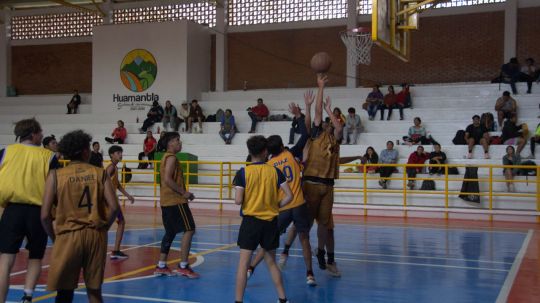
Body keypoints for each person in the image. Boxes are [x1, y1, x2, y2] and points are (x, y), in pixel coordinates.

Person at [41, 130, 119, 303]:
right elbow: (114, 207)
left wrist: (55, 238)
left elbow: (45, 215)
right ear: (85, 151)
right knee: (94, 291)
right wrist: (104, 227)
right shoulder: (100, 173)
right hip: (95, 234)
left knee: (64, 293)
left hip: (68, 236)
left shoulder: (55, 175)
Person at [246, 96, 315, 286]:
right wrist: (299, 115)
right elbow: (305, 135)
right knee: (304, 240)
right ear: (283, 146)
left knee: (268, 241)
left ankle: (251, 267)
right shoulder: (291, 154)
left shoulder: (268, 164)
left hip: (282, 207)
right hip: (299, 204)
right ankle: (310, 274)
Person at [0, 118, 59, 303]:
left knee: (6, 258)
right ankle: (27, 296)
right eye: (40, 132)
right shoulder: (48, 156)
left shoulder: (5, 151)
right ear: (33, 134)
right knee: (35, 256)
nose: (42, 134)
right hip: (38, 212)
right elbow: (54, 187)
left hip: (12, 210)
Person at [233, 135, 293, 303]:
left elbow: (238, 200)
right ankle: (283, 299)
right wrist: (276, 206)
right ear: (265, 151)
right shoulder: (275, 171)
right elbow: (290, 195)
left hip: (250, 223)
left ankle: (238, 301)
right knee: (271, 263)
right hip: (270, 222)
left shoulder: (243, 172)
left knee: (243, 264)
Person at [302, 74, 343, 277]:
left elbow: (340, 127)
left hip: (327, 185)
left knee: (326, 225)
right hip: (310, 182)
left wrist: (330, 110)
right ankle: (294, 253)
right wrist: (320, 88)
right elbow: (316, 113)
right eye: (329, 120)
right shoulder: (316, 134)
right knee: (306, 224)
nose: (332, 123)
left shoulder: (336, 139)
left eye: (334, 120)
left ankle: (322, 254)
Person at [154, 132, 199, 278]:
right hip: (175, 201)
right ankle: (183, 265)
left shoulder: (166, 157)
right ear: (169, 144)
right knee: (190, 229)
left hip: (166, 201)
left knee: (170, 232)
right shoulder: (172, 158)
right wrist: (183, 192)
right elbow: (167, 179)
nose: (180, 142)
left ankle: (161, 266)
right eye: (177, 140)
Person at [106, 145, 135, 259]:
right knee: (120, 223)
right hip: (110, 201)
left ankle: (116, 250)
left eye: (121, 153)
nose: (120, 155)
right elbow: (103, 181)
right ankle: (115, 250)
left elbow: (117, 185)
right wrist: (108, 198)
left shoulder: (115, 167)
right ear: (112, 155)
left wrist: (128, 196)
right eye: (118, 153)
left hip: (110, 200)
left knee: (120, 223)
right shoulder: (111, 168)